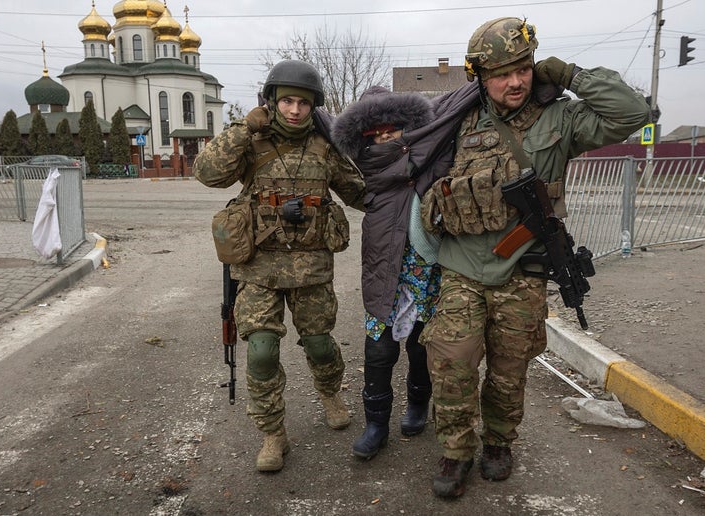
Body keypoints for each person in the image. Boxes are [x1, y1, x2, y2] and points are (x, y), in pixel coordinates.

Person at [419, 17, 653, 498]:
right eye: (502, 72)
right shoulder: (456, 119)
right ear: (481, 77)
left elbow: (632, 112)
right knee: (452, 366)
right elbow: (411, 168)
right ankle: (456, 450)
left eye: (523, 68)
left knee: (509, 370)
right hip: (461, 268)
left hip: (522, 270)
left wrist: (567, 73)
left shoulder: (561, 119)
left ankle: (500, 443)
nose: (516, 81)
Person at [193, 60, 366, 473]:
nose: (293, 110)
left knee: (321, 345)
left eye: (302, 103)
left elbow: (360, 192)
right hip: (259, 268)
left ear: (313, 107)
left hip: (310, 269)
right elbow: (206, 173)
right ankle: (273, 434)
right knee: (262, 351)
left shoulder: (326, 146)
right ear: (270, 102)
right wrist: (242, 129)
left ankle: (330, 394)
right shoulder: (251, 142)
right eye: (286, 101)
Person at [330, 84, 478, 460]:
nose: (383, 137)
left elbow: (451, 105)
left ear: (406, 127)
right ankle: (376, 425)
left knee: (418, 347)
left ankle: (416, 405)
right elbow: (320, 124)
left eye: (390, 129)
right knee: (379, 351)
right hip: (384, 277)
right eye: (374, 133)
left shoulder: (433, 159)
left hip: (426, 274)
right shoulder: (368, 176)